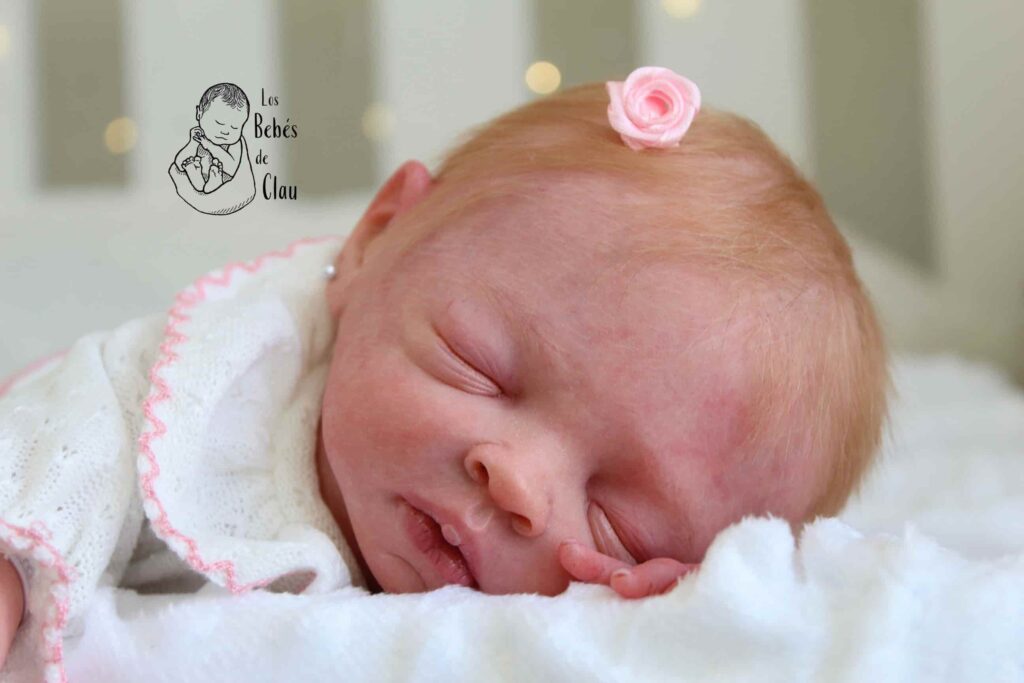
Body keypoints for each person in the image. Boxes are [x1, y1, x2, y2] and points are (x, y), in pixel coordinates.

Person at [0, 67, 888, 680]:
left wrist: (672, 623)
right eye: (480, 369)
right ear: (378, 238)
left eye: (620, 526)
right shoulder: (225, 373)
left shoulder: (565, 614)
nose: (517, 483)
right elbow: (65, 442)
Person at [173, 82, 250, 194]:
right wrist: (192, 144)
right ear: (199, 114)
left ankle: (215, 180)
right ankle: (195, 174)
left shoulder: (234, 144)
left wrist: (209, 146)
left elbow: (232, 169)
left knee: (218, 178)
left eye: (235, 127)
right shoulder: (199, 135)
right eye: (219, 123)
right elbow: (179, 163)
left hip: (223, 179)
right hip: (200, 174)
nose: (226, 131)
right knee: (188, 166)